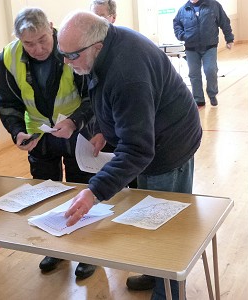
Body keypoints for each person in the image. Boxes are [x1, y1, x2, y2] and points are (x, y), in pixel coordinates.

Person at [57, 11, 202, 300]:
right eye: (63, 53)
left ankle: (168, 292)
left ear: (95, 46)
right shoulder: (105, 47)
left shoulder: (127, 74)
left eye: (71, 55)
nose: (66, 62)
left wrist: (94, 192)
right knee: (150, 222)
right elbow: (107, 99)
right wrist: (103, 130)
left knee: (165, 229)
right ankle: (153, 273)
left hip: (168, 148)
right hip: (156, 136)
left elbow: (138, 149)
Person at [0, 7, 97, 280]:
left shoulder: (70, 46)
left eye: (42, 40)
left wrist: (75, 121)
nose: (37, 48)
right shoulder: (9, 56)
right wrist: (17, 131)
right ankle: (55, 248)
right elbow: (8, 103)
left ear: (51, 28)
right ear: (18, 39)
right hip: (39, 137)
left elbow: (93, 96)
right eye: (29, 43)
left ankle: (86, 252)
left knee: (81, 189)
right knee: (46, 192)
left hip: (78, 131)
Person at [90, 0, 137, 189]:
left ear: (113, 18)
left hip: (130, 130)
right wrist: (100, 130)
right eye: (93, 17)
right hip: (108, 130)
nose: (96, 23)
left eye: (101, 17)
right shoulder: (89, 49)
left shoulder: (125, 51)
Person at [173, 0, 234, 107]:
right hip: (191, 47)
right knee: (194, 74)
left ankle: (212, 94)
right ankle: (198, 98)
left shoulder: (213, 5)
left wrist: (229, 39)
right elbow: (177, 24)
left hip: (209, 46)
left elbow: (224, 21)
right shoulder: (183, 10)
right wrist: (182, 36)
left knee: (210, 70)